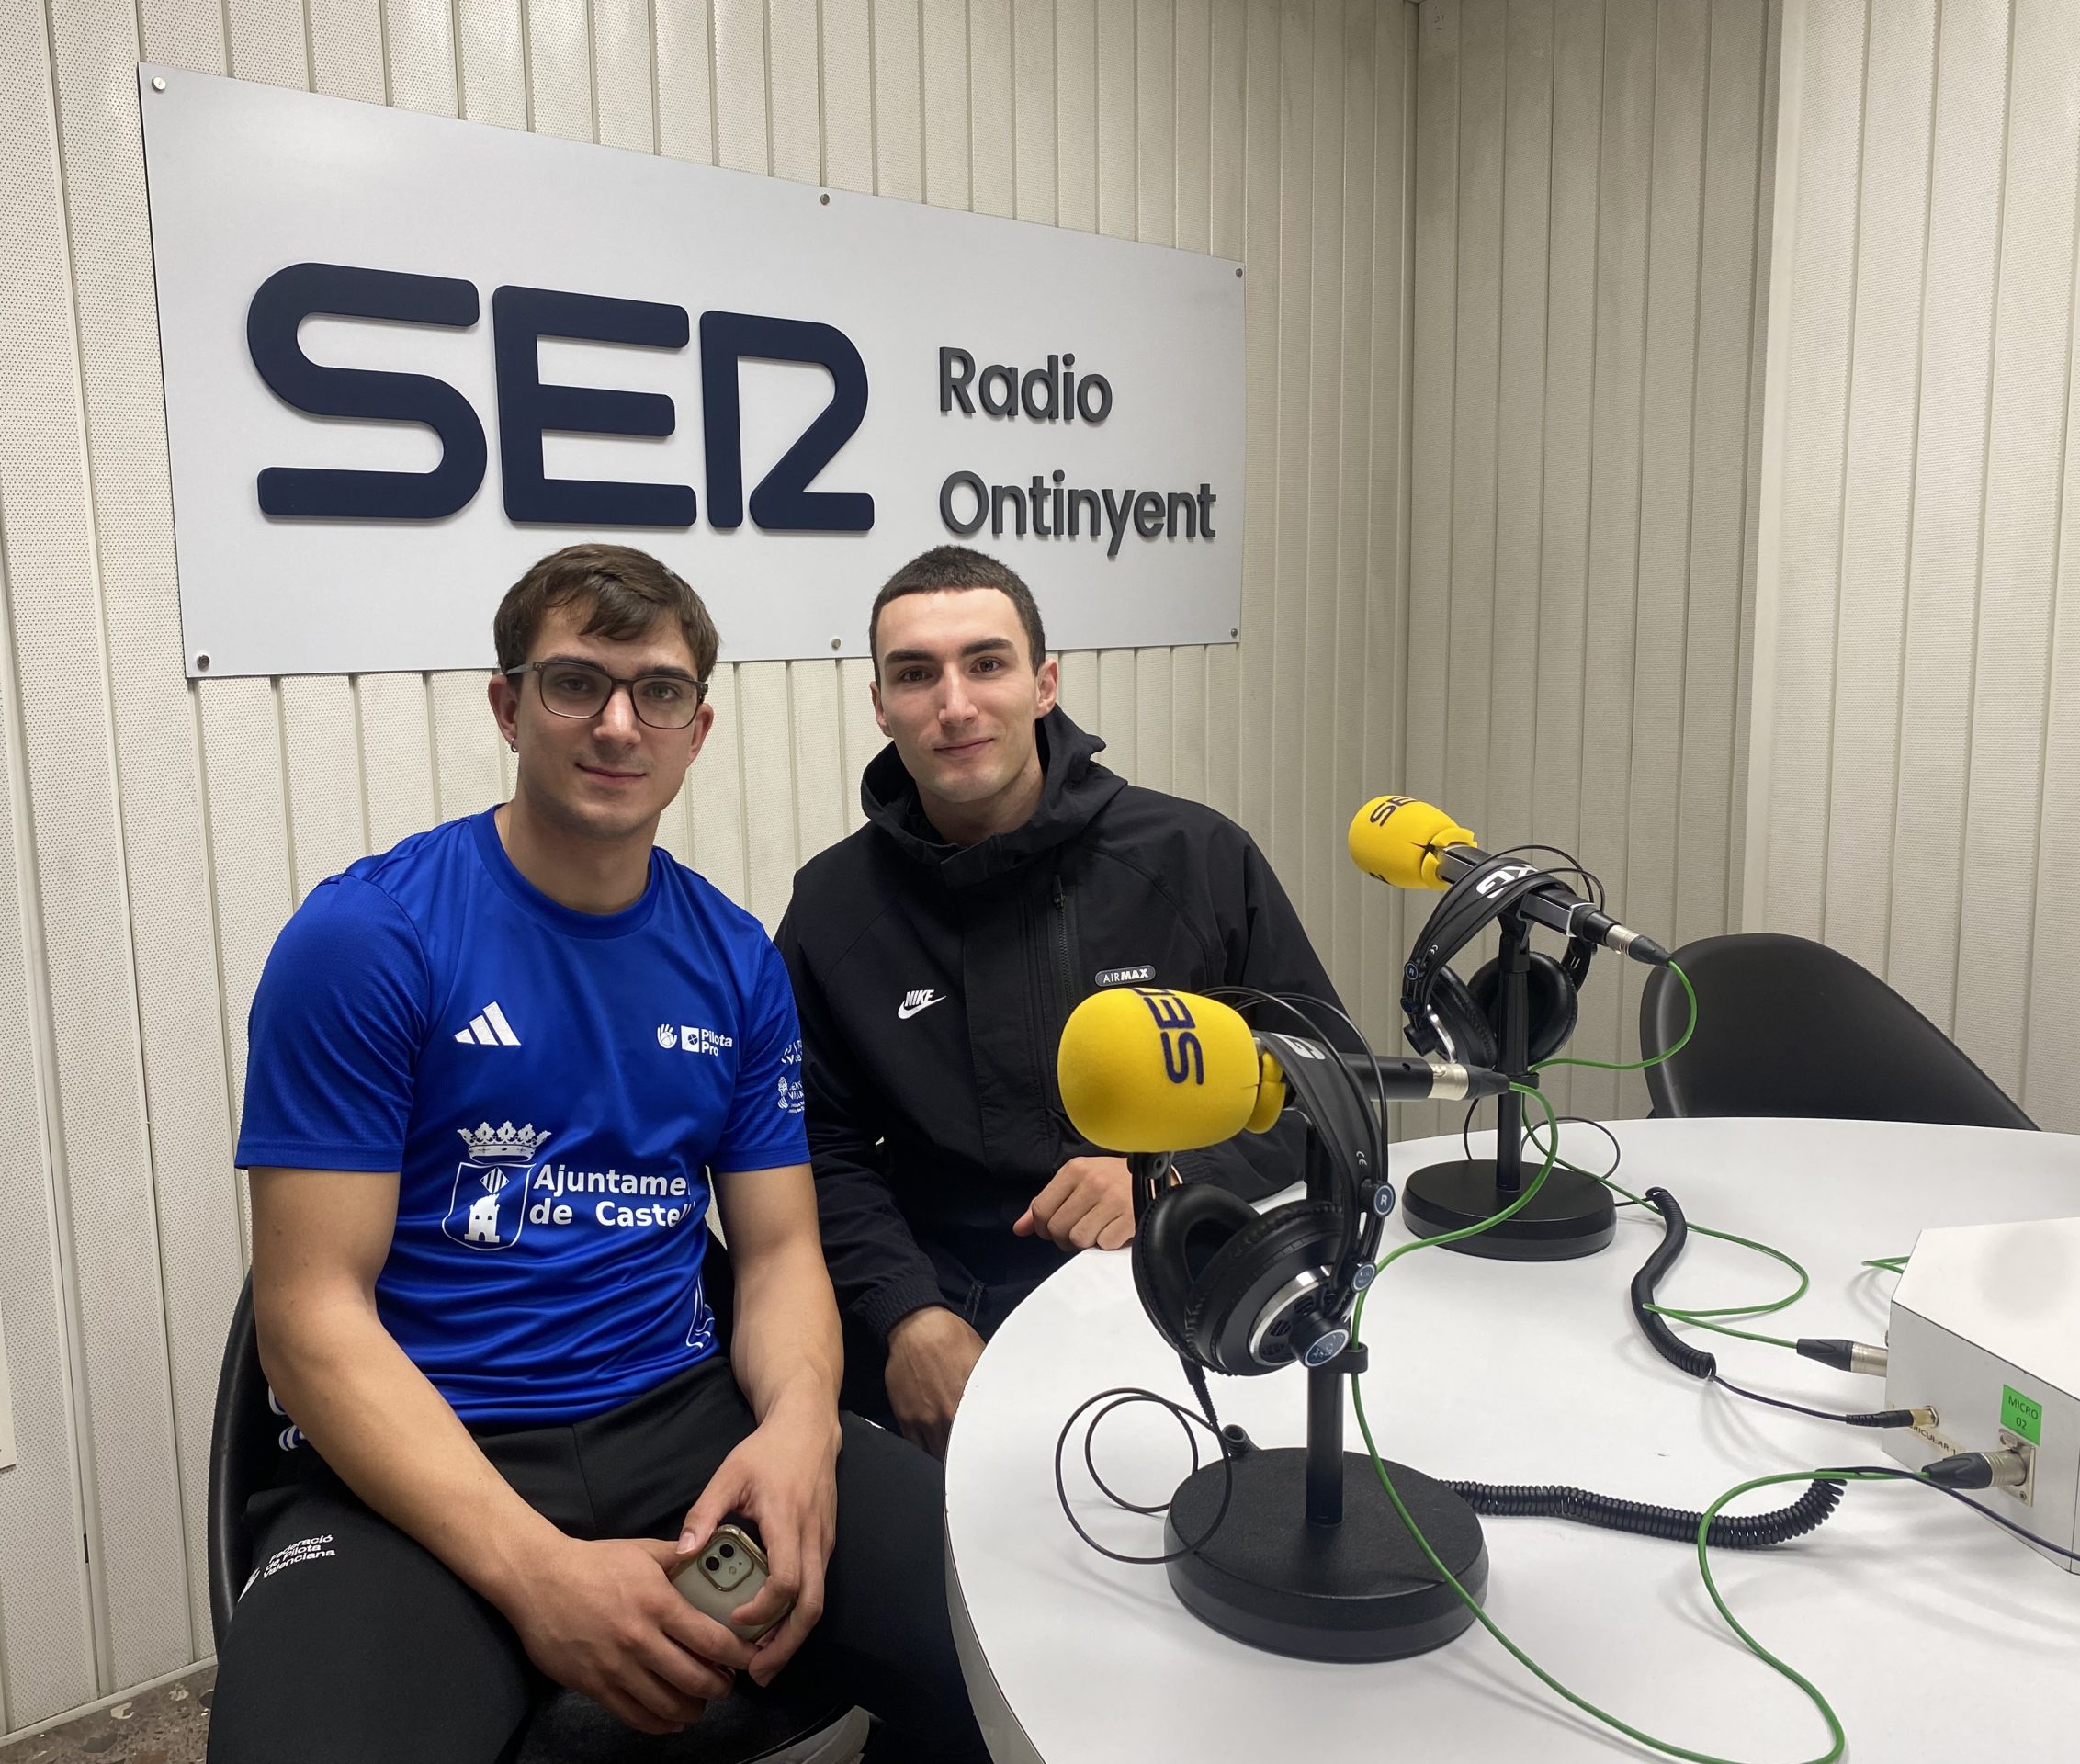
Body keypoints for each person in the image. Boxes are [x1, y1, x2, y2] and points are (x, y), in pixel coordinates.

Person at [208, 545, 988, 1763]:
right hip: (419, 1456)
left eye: (659, 692)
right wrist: (537, 1573)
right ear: (508, 706)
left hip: (683, 1424)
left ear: (697, 728)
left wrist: (798, 1431)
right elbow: (308, 1318)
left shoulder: (733, 958)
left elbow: (779, 1253)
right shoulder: (366, 940)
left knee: (1023, 1644)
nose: (620, 725)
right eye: (576, 683)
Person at [777, 546, 1345, 1458]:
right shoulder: (832, 908)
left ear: (1043, 684)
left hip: (1182, 1297)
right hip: (950, 1328)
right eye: (916, 675)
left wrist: (1171, 1172)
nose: (955, 704)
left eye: (986, 663)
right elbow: (815, 1146)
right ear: (881, 706)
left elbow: (1325, 1079)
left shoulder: (1194, 858)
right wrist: (904, 1314)